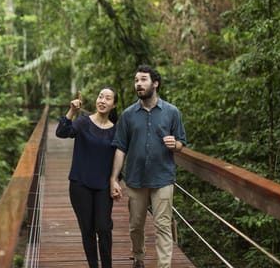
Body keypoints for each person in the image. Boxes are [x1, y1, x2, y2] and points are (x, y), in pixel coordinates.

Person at [110, 65, 187, 268]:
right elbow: (120, 148)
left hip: (163, 178)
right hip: (135, 179)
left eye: (143, 80)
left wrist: (175, 145)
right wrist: (114, 179)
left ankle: (164, 266)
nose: (138, 84)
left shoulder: (172, 112)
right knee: (136, 226)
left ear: (155, 83)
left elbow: (181, 143)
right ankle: (139, 257)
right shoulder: (128, 115)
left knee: (162, 226)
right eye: (136, 80)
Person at [56, 87, 118, 268]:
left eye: (108, 98)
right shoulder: (83, 122)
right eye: (100, 97)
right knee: (88, 230)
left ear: (113, 105)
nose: (102, 101)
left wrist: (116, 180)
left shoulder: (116, 131)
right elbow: (61, 132)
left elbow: (118, 158)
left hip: (103, 186)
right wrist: (72, 112)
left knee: (104, 228)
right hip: (80, 184)